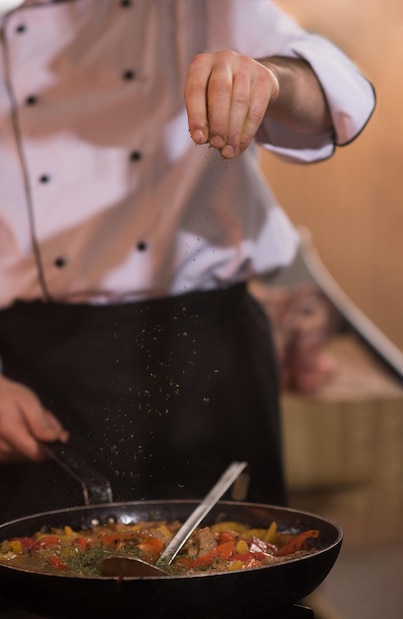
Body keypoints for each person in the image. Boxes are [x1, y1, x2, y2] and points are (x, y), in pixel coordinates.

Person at [0, 0, 375, 524]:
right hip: (29, 374)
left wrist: (268, 79)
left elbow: (333, 86)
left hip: (206, 360)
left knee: (236, 571)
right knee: (36, 582)